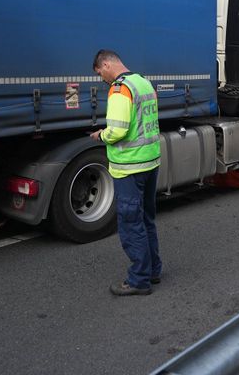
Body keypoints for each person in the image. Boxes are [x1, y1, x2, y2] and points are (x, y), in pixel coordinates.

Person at [90, 50, 162, 297]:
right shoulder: (143, 81)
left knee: (131, 223)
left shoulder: (120, 89)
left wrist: (101, 135)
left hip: (129, 167)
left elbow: (118, 131)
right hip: (150, 162)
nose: (102, 79)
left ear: (107, 64)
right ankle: (153, 270)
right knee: (147, 220)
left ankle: (139, 280)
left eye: (100, 73)